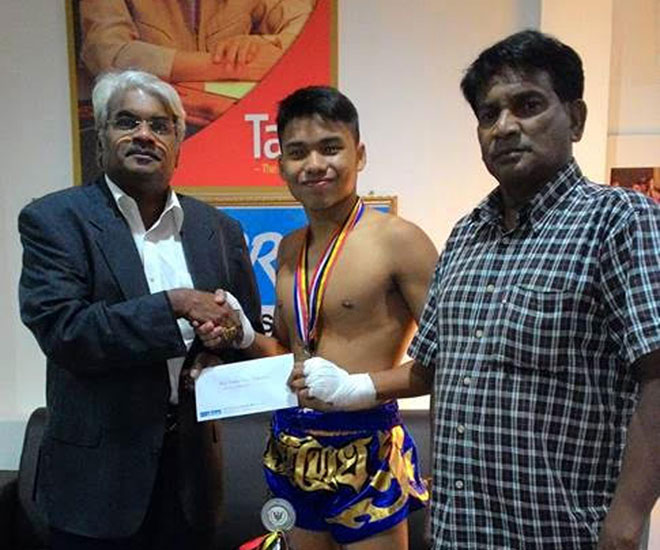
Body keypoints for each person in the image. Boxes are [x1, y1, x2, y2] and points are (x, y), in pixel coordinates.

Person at [297, 30, 660, 549]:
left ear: (575, 118)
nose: (505, 127)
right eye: (488, 115)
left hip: (564, 533)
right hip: (460, 532)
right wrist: (352, 388)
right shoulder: (468, 235)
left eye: (528, 105)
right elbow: (430, 368)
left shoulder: (621, 221)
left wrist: (626, 524)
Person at [18, 69, 262, 550]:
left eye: (160, 125)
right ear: (101, 138)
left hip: (191, 474)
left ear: (179, 142)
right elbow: (66, 331)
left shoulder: (217, 228)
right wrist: (172, 304)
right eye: (126, 122)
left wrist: (223, 342)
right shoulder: (55, 220)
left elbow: (243, 330)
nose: (144, 135)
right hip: (94, 486)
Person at [195, 86, 438, 549]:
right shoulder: (289, 249)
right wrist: (244, 334)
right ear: (281, 163)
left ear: (359, 154)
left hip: (366, 448)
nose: (314, 164)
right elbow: (290, 357)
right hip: (294, 448)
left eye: (330, 148)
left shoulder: (400, 241)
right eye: (297, 152)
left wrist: (358, 389)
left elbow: (450, 361)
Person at [79, 0, 316, 126]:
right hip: (145, 125)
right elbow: (105, 53)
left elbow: (308, 31)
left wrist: (264, 43)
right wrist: (225, 66)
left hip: (232, 121)